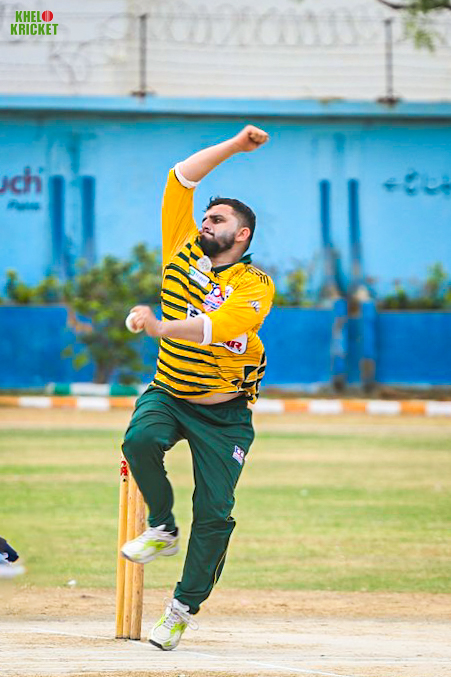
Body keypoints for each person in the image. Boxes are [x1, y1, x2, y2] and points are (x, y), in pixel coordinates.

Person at [121, 124, 274, 650]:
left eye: (218, 219)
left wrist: (160, 327)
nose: (206, 223)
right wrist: (235, 146)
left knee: (213, 514)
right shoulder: (181, 247)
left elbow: (221, 327)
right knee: (139, 440)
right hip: (169, 392)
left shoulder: (253, 284)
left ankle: (181, 609)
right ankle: (162, 527)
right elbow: (180, 178)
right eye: (205, 217)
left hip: (224, 414)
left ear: (242, 234)